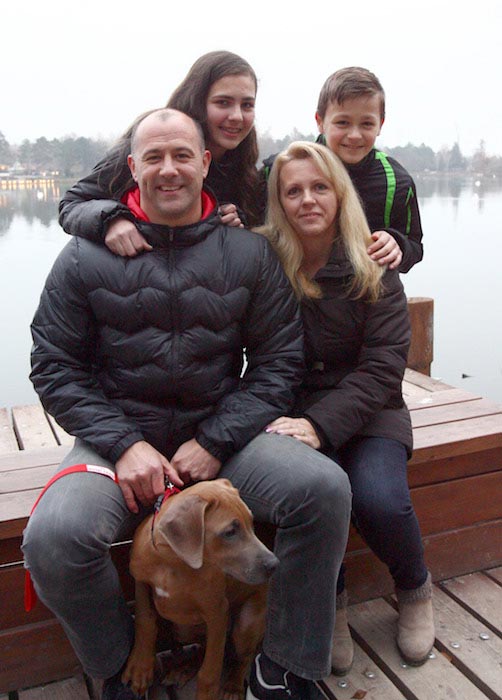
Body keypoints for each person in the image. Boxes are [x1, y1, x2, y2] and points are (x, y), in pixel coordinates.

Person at [22, 109, 352, 700]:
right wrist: (124, 444)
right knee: (54, 538)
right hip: (113, 439)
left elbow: (279, 363)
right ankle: (121, 667)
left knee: (322, 491)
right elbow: (53, 365)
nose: (168, 169)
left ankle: (286, 666)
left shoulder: (249, 255)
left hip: (223, 434)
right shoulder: (82, 256)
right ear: (132, 168)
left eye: (182, 156)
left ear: (205, 163)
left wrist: (217, 440)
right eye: (154, 157)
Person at [259, 141, 434, 676]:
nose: (308, 200)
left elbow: (385, 366)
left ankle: (414, 588)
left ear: (339, 193)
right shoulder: (265, 261)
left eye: (320, 187)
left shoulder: (374, 261)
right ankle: (328, 604)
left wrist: (321, 424)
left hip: (372, 409)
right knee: (314, 495)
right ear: (279, 200)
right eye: (293, 190)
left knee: (380, 499)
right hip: (292, 411)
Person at [58, 50, 266, 259]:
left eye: (247, 105)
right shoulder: (149, 145)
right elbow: (71, 205)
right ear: (197, 100)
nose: (237, 116)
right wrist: (111, 220)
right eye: (223, 102)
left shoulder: (243, 161)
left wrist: (236, 218)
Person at [315, 66, 424, 273]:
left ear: (380, 125)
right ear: (320, 122)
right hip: (298, 294)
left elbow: (415, 247)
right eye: (343, 122)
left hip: (368, 296)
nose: (354, 135)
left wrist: (397, 244)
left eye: (366, 124)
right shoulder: (284, 171)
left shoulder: (397, 182)